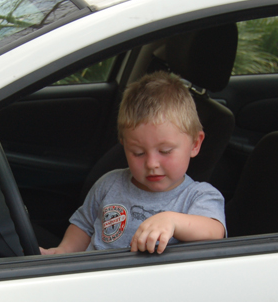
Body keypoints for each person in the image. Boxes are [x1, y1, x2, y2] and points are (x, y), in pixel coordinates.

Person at [41, 71, 226, 255]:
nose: (152, 163)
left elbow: (214, 231)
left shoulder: (198, 196)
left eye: (165, 151)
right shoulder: (109, 184)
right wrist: (63, 251)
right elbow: (84, 225)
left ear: (195, 144)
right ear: (124, 145)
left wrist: (172, 221)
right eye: (138, 153)